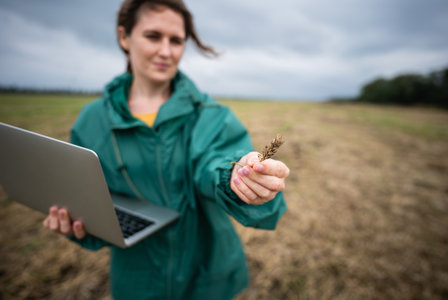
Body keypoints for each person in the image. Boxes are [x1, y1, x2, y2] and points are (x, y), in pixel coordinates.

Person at [43, 0, 289, 299]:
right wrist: (78, 224)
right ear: (124, 37)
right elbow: (91, 202)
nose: (166, 51)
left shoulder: (212, 115)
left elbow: (212, 164)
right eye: (153, 36)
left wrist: (238, 177)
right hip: (139, 283)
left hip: (209, 279)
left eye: (176, 41)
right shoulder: (91, 123)